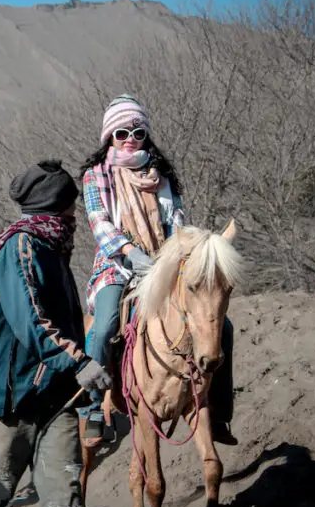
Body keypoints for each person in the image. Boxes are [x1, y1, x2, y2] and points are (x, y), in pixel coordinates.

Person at [0, 160, 111, 507]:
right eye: (71, 206)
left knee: (64, 501)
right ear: (57, 206)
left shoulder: (50, 247)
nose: (75, 214)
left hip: (56, 398)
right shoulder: (20, 247)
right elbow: (32, 323)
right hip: (13, 400)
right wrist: (79, 361)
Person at [77, 96, 237, 446]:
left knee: (221, 326)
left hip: (164, 261)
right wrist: (130, 251)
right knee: (103, 326)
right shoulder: (96, 175)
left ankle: (219, 412)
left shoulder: (160, 174)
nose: (130, 138)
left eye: (137, 131)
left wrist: (173, 254)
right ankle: (91, 407)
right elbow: (99, 222)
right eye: (121, 132)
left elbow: (176, 219)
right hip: (117, 265)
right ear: (109, 136)